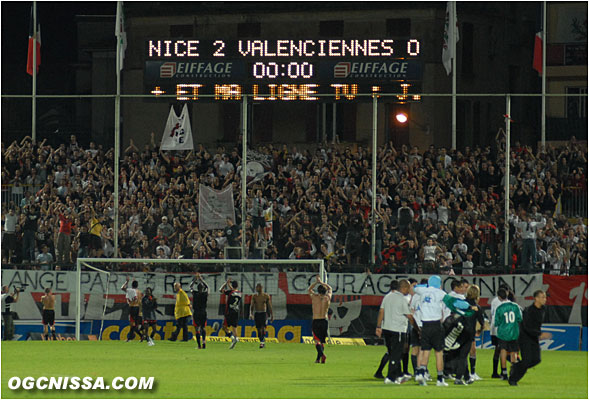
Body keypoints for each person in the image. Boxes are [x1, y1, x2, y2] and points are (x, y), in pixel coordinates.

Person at [414, 275, 470, 387]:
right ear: (439, 284)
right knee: (439, 352)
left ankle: (421, 372)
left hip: (424, 325)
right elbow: (454, 302)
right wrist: (467, 305)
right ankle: (440, 379)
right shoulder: (440, 293)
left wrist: (427, 286)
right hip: (436, 325)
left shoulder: (422, 291)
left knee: (425, 351)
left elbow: (416, 287)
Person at [508, 290, 551, 386]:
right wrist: (540, 334)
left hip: (534, 337)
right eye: (543, 297)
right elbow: (527, 327)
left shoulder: (543, 309)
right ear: (536, 298)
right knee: (527, 360)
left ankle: (516, 366)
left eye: (545, 297)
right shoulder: (529, 311)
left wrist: (538, 335)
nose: (545, 299)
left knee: (536, 359)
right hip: (525, 338)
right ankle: (513, 379)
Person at [375, 279, 414, 385]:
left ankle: (399, 375)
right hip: (398, 330)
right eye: (409, 287)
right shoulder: (402, 299)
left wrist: (378, 326)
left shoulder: (387, 296)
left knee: (392, 352)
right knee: (396, 354)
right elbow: (409, 316)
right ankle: (390, 377)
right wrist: (417, 328)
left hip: (387, 329)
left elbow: (381, 311)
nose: (409, 289)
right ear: (404, 287)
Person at [494, 289, 522, 380]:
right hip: (514, 333)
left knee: (503, 351)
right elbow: (520, 319)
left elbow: (496, 322)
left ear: (499, 297)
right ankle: (513, 372)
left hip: (503, 333)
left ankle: (504, 373)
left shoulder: (499, 308)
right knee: (514, 352)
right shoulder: (516, 306)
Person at [308, 275, 332, 363]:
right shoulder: (327, 298)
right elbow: (330, 288)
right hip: (324, 321)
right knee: (322, 341)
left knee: (316, 340)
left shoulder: (314, 298)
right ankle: (318, 359)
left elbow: (309, 289)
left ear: (318, 291)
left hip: (316, 320)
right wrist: (322, 283)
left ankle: (322, 355)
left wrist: (316, 282)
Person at [489, 284, 510, 378]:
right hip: (502, 329)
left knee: (497, 350)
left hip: (493, 328)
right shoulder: (506, 303)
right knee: (503, 350)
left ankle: (495, 372)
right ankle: (503, 371)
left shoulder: (494, 301)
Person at [249, 283, 274, 349]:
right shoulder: (254, 296)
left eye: (258, 287)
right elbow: (251, 306)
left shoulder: (266, 296)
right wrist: (251, 313)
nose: (257, 288)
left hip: (263, 314)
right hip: (257, 313)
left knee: (263, 328)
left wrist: (272, 315)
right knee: (258, 329)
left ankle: (262, 343)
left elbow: (269, 306)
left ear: (261, 288)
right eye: (256, 287)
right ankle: (262, 340)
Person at [219, 279, 242, 349]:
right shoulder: (239, 293)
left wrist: (226, 283)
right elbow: (233, 291)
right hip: (236, 312)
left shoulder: (230, 292)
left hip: (229, 312)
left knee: (224, 327)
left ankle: (232, 338)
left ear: (232, 285)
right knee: (234, 328)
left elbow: (220, 290)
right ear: (237, 286)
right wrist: (229, 285)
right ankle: (236, 338)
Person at [190, 272, 209, 349]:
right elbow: (208, 287)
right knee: (203, 328)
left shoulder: (195, 293)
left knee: (197, 328)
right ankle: (204, 342)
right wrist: (201, 279)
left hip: (196, 313)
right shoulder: (205, 294)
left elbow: (190, 287)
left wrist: (195, 279)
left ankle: (199, 345)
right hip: (203, 312)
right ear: (203, 288)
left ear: (197, 288)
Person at [121, 277, 143, 342]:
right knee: (135, 324)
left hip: (132, 308)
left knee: (132, 324)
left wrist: (127, 282)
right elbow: (140, 301)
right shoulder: (139, 292)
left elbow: (122, 288)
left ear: (132, 285)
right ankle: (130, 338)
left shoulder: (131, 291)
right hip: (138, 308)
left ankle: (141, 336)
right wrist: (140, 311)